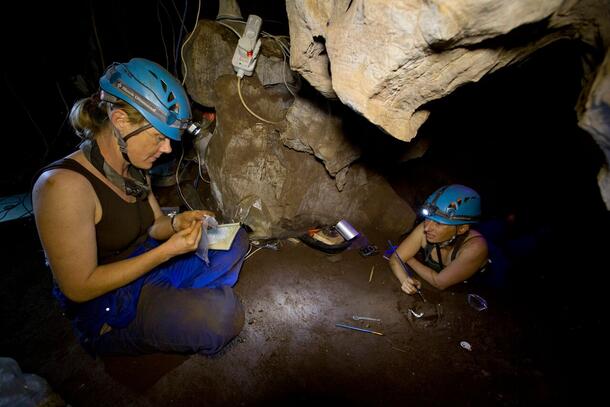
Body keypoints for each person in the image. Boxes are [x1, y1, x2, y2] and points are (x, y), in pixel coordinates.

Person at [32, 58, 249, 356]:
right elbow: (79, 287)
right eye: (159, 137)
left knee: (236, 239)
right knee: (224, 317)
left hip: (148, 262)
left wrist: (177, 224)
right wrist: (167, 252)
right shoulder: (61, 187)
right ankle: (163, 312)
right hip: (110, 299)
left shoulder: (133, 163)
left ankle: (174, 303)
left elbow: (154, 225)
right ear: (120, 121)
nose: (167, 149)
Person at [389, 184, 489, 294]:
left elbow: (440, 282)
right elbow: (396, 258)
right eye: (428, 218)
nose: (427, 228)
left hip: (472, 292)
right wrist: (405, 280)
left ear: (462, 229)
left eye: (438, 223)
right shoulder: (425, 227)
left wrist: (408, 258)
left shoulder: (475, 247)